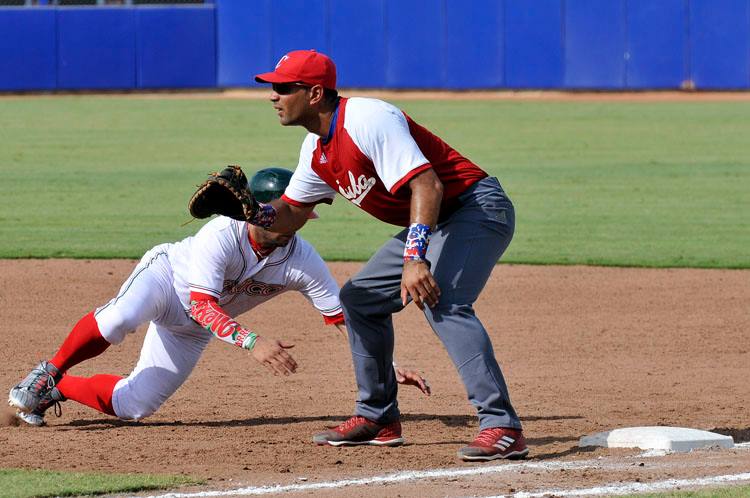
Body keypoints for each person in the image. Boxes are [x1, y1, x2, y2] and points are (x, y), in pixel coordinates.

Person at [250, 50, 528, 461]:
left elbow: (428, 186)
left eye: (282, 88)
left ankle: (502, 425)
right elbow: (289, 215)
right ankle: (378, 417)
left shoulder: (367, 119)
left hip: (475, 207)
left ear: (313, 93)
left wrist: (415, 259)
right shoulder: (315, 150)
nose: (273, 96)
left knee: (441, 299)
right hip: (435, 220)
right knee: (359, 299)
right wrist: (250, 214)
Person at [8, 167, 429, 427]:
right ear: (267, 208)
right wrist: (252, 342)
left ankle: (60, 388)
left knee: (135, 406)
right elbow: (199, 302)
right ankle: (49, 370)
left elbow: (343, 321)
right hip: (166, 281)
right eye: (301, 206)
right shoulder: (221, 235)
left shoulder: (303, 260)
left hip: (194, 327)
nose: (307, 216)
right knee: (120, 319)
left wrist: (386, 364)